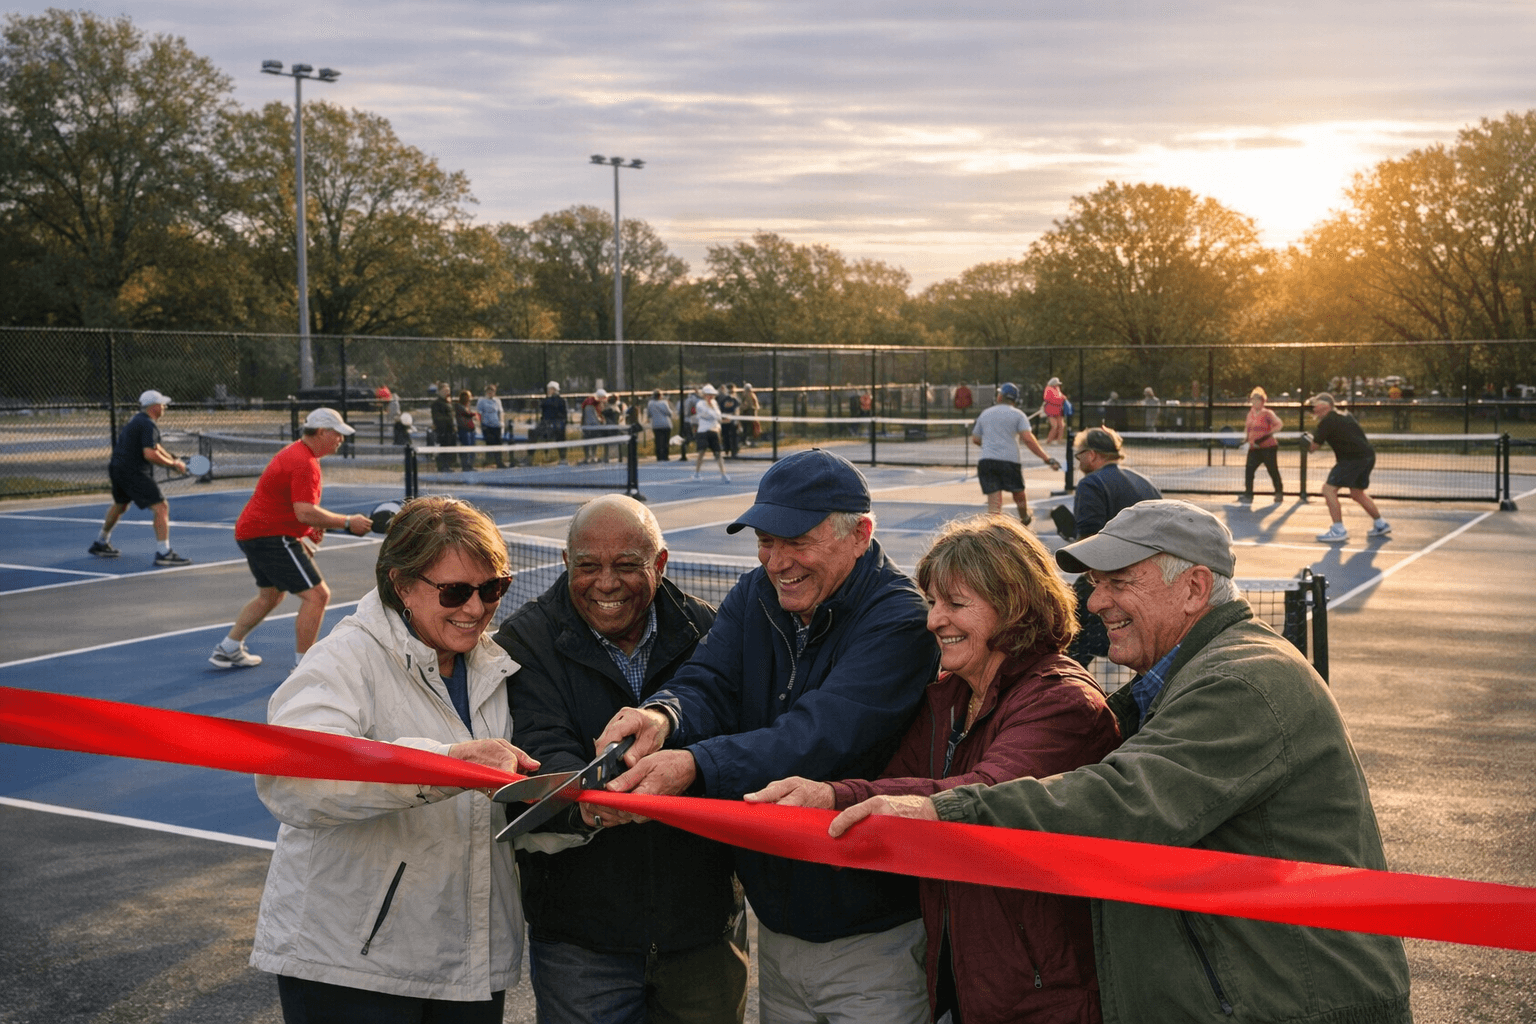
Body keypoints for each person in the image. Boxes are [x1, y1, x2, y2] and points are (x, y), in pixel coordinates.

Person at [828, 500, 1414, 1024]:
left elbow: (1124, 799)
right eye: (1096, 583)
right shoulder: (1180, 681)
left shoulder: (1242, 681)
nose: (1097, 599)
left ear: (1194, 588)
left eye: (1118, 582)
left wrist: (943, 812)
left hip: (1295, 1004)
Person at [593, 448, 941, 1024]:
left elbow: (817, 738)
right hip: (779, 928)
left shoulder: (899, 620)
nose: (777, 561)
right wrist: (662, 716)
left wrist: (695, 765)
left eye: (796, 541)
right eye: (765, 541)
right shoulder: (757, 591)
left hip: (874, 936)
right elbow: (709, 681)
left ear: (860, 534)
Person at [747, 515, 1120, 1024]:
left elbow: (985, 791)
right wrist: (827, 796)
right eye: (932, 603)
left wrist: (835, 798)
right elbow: (888, 782)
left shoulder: (1064, 703)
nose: (933, 621)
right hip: (969, 980)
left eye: (956, 605)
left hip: (1043, 992)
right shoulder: (949, 697)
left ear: (1014, 608)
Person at [250, 496, 538, 1023]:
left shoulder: (494, 665)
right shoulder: (344, 658)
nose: (476, 608)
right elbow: (292, 777)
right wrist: (448, 764)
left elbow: (499, 811)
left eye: (493, 587)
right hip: (351, 966)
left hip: (469, 962)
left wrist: (575, 813)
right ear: (402, 584)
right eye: (454, 590)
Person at [494, 495, 747, 1024]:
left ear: (659, 564)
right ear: (566, 564)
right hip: (582, 942)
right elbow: (540, 756)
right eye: (587, 566)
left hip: (700, 933)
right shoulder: (525, 641)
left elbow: (736, 741)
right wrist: (590, 801)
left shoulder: (709, 630)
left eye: (627, 566)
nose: (605, 583)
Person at [208, 408, 372, 671]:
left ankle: (227, 649)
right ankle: (304, 668)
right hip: (269, 535)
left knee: (270, 596)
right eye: (337, 433)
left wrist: (308, 532)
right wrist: (347, 522)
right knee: (318, 596)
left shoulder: (299, 454)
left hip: (254, 532)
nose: (341, 439)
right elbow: (305, 511)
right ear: (321, 432)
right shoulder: (303, 462)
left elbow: (297, 510)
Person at [1065, 426, 1162, 669]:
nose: (1078, 462)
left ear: (1093, 455)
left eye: (1080, 455)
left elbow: (1090, 543)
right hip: (1148, 581)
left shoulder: (1091, 484)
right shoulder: (1146, 483)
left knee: (1068, 642)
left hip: (1109, 579)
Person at [89, 389, 192, 566]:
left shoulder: (139, 420)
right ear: (154, 407)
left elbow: (157, 447)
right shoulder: (148, 425)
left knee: (120, 505)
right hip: (132, 471)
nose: (164, 407)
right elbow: (150, 454)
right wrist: (174, 465)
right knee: (161, 507)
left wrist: (173, 459)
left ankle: (101, 542)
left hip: (117, 468)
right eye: (162, 404)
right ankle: (164, 553)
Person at [969, 382, 1061, 525]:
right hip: (1009, 461)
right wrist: (1047, 459)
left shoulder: (985, 414)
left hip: (987, 461)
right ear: (1014, 400)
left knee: (994, 502)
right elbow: (1028, 440)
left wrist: (988, 445)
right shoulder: (1019, 415)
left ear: (1000, 397)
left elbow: (975, 439)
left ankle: (993, 531)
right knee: (1018, 493)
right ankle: (1025, 519)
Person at [1305, 392, 1391, 543]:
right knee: (1357, 493)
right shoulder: (1345, 415)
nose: (1313, 408)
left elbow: (1313, 447)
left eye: (1316, 404)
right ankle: (1380, 524)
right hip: (1367, 456)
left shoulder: (1328, 420)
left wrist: (1305, 442)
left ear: (1326, 406)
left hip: (1353, 459)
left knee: (1328, 489)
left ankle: (1338, 530)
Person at [1240, 387, 1284, 503]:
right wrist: (1246, 440)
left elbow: (1278, 425)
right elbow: (1248, 428)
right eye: (1252, 400)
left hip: (1268, 448)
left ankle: (1279, 493)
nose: (1254, 402)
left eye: (1257, 400)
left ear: (1262, 401)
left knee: (1272, 470)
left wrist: (1265, 437)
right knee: (1249, 470)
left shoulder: (1267, 413)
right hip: (1254, 448)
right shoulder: (1251, 413)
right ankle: (1248, 494)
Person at [692, 383, 730, 482]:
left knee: (718, 454)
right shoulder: (700, 404)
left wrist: (722, 420)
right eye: (708, 394)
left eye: (712, 394)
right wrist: (716, 415)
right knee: (701, 453)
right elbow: (709, 414)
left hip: (714, 431)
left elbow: (717, 416)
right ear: (704, 395)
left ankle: (723, 474)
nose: (711, 396)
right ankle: (697, 473)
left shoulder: (714, 403)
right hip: (703, 431)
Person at [539, 381, 568, 462]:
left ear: (553, 389)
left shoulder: (554, 401)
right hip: (552, 424)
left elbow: (544, 407)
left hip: (555, 424)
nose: (548, 391)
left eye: (549, 389)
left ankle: (556, 457)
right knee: (555, 440)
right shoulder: (559, 400)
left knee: (556, 439)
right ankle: (554, 457)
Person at [477, 384, 505, 468]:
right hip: (487, 426)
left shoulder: (497, 401)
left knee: (498, 443)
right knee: (490, 442)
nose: (490, 392)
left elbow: (501, 412)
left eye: (492, 390)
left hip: (496, 425)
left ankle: (499, 462)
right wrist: (480, 425)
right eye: (488, 390)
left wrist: (502, 423)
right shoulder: (482, 401)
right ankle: (488, 462)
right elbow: (479, 414)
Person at [430, 382, 456, 472]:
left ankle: (447, 465)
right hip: (441, 430)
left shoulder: (448, 402)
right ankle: (442, 466)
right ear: (440, 391)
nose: (447, 392)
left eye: (448, 390)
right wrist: (447, 420)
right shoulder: (436, 403)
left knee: (449, 448)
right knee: (442, 448)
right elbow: (437, 417)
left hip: (449, 430)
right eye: (445, 390)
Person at [646, 388, 674, 461]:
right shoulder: (664, 403)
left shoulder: (650, 404)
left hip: (656, 425)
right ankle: (665, 456)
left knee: (658, 441)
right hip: (665, 424)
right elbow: (669, 413)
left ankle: (659, 456)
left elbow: (649, 414)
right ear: (660, 396)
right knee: (666, 441)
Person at [580, 388, 606, 464]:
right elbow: (600, 415)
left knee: (587, 441)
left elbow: (583, 415)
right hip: (593, 426)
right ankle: (592, 456)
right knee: (593, 440)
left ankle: (588, 457)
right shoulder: (596, 404)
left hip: (586, 425)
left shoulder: (586, 403)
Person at [454, 390, 479, 472]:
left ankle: (470, 465)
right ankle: (465, 466)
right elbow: (468, 414)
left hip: (471, 430)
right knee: (466, 448)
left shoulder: (468, 407)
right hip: (464, 430)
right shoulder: (459, 406)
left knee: (472, 448)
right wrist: (474, 414)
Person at [1040, 375, 1067, 445]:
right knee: (1054, 426)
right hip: (1050, 410)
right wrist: (1060, 400)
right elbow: (1047, 399)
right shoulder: (1048, 389)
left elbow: (1061, 396)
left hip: (1059, 410)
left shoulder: (1057, 388)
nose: (1058, 385)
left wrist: (1064, 398)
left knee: (1061, 425)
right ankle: (1049, 441)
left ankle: (1059, 440)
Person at [719, 383, 741, 457]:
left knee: (726, 436)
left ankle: (727, 450)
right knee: (732, 436)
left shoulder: (722, 399)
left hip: (725, 420)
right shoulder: (734, 399)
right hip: (730, 420)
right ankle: (733, 451)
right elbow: (737, 410)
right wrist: (737, 421)